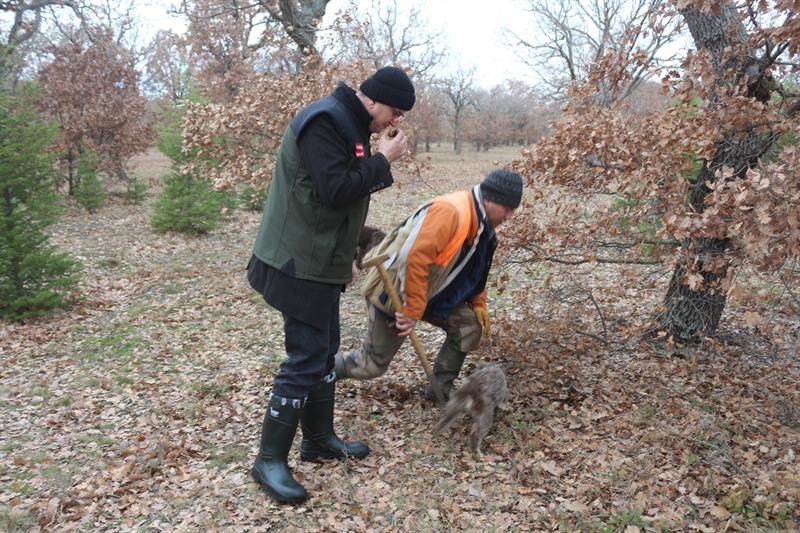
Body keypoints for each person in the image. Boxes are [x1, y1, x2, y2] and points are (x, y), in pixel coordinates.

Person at [246, 66, 415, 504]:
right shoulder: (325, 121)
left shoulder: (350, 125)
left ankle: (318, 440)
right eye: (394, 111)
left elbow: (342, 205)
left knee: (325, 351)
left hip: (320, 262)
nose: (395, 121)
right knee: (305, 358)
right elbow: (336, 191)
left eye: (401, 116)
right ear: (372, 98)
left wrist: (346, 258)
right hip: (294, 262)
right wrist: (383, 160)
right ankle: (268, 460)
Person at [334, 169, 524, 400]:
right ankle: (315, 372)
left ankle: (440, 390)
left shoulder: (482, 224)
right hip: (395, 292)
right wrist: (412, 311)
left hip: (431, 294)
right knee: (371, 365)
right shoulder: (451, 212)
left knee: (469, 325)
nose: (509, 216)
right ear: (490, 199)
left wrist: (477, 302)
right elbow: (413, 259)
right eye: (508, 209)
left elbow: (475, 267)